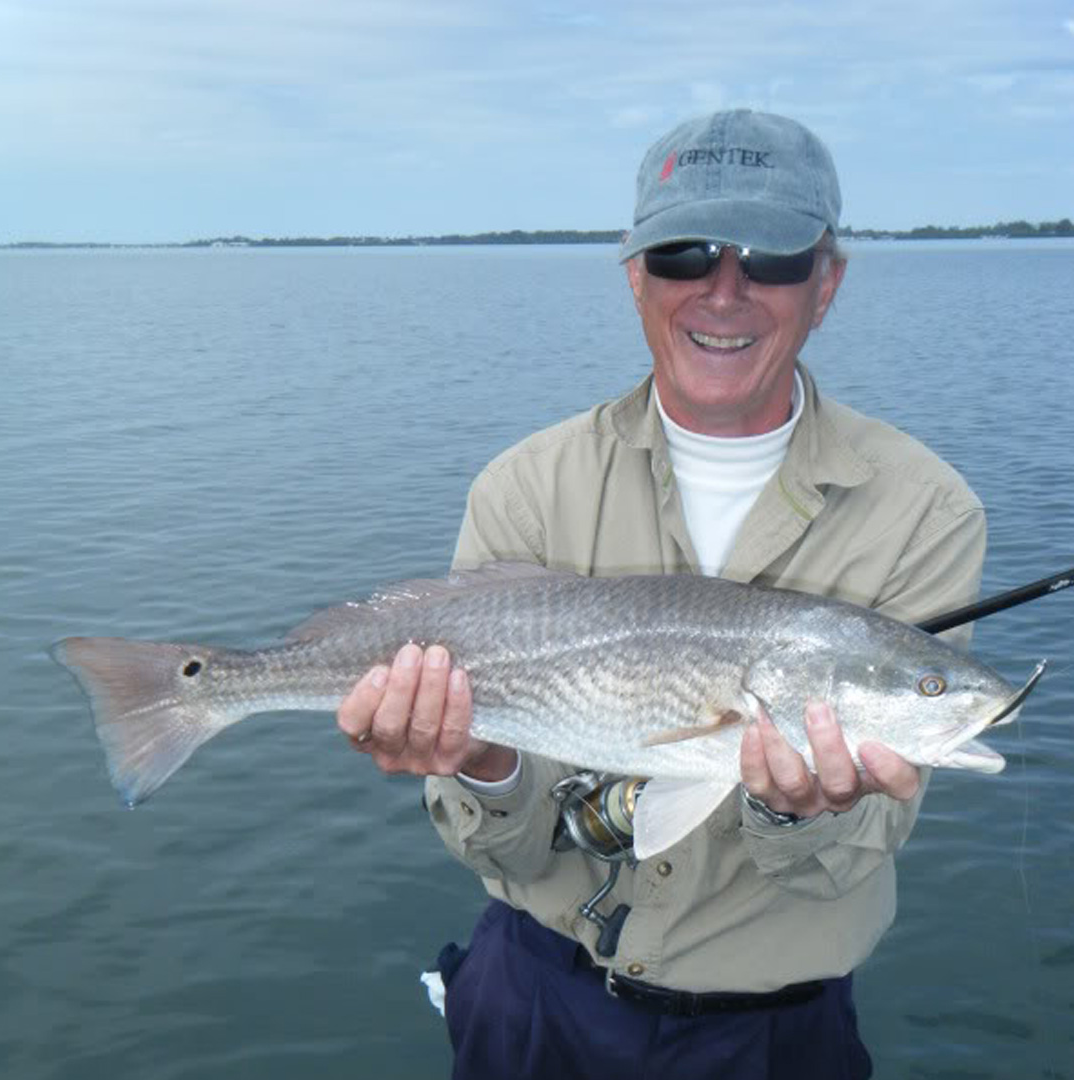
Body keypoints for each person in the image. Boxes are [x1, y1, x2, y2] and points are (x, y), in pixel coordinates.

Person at [337, 109, 985, 1079]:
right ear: (636, 275)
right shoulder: (523, 486)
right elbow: (504, 853)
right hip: (532, 1000)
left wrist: (799, 809)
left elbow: (862, 846)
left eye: (771, 258)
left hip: (774, 1034)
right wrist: (477, 762)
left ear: (827, 282)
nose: (726, 292)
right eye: (686, 255)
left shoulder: (928, 510)